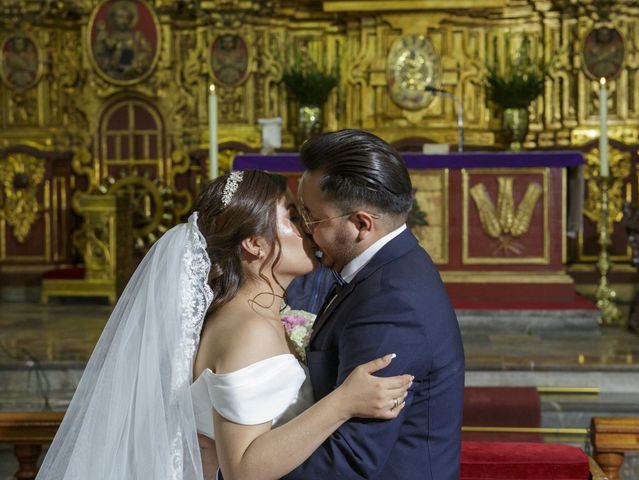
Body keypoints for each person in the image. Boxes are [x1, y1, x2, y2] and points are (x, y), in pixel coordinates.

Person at [36, 169, 412, 480]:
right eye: (291, 217)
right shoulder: (249, 330)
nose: (307, 229)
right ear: (255, 245)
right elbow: (244, 469)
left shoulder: (244, 315)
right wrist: (343, 403)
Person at [284, 129, 465, 479]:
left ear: (361, 224)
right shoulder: (392, 265)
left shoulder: (392, 304)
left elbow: (352, 459)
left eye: (311, 217)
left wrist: (241, 470)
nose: (304, 230)